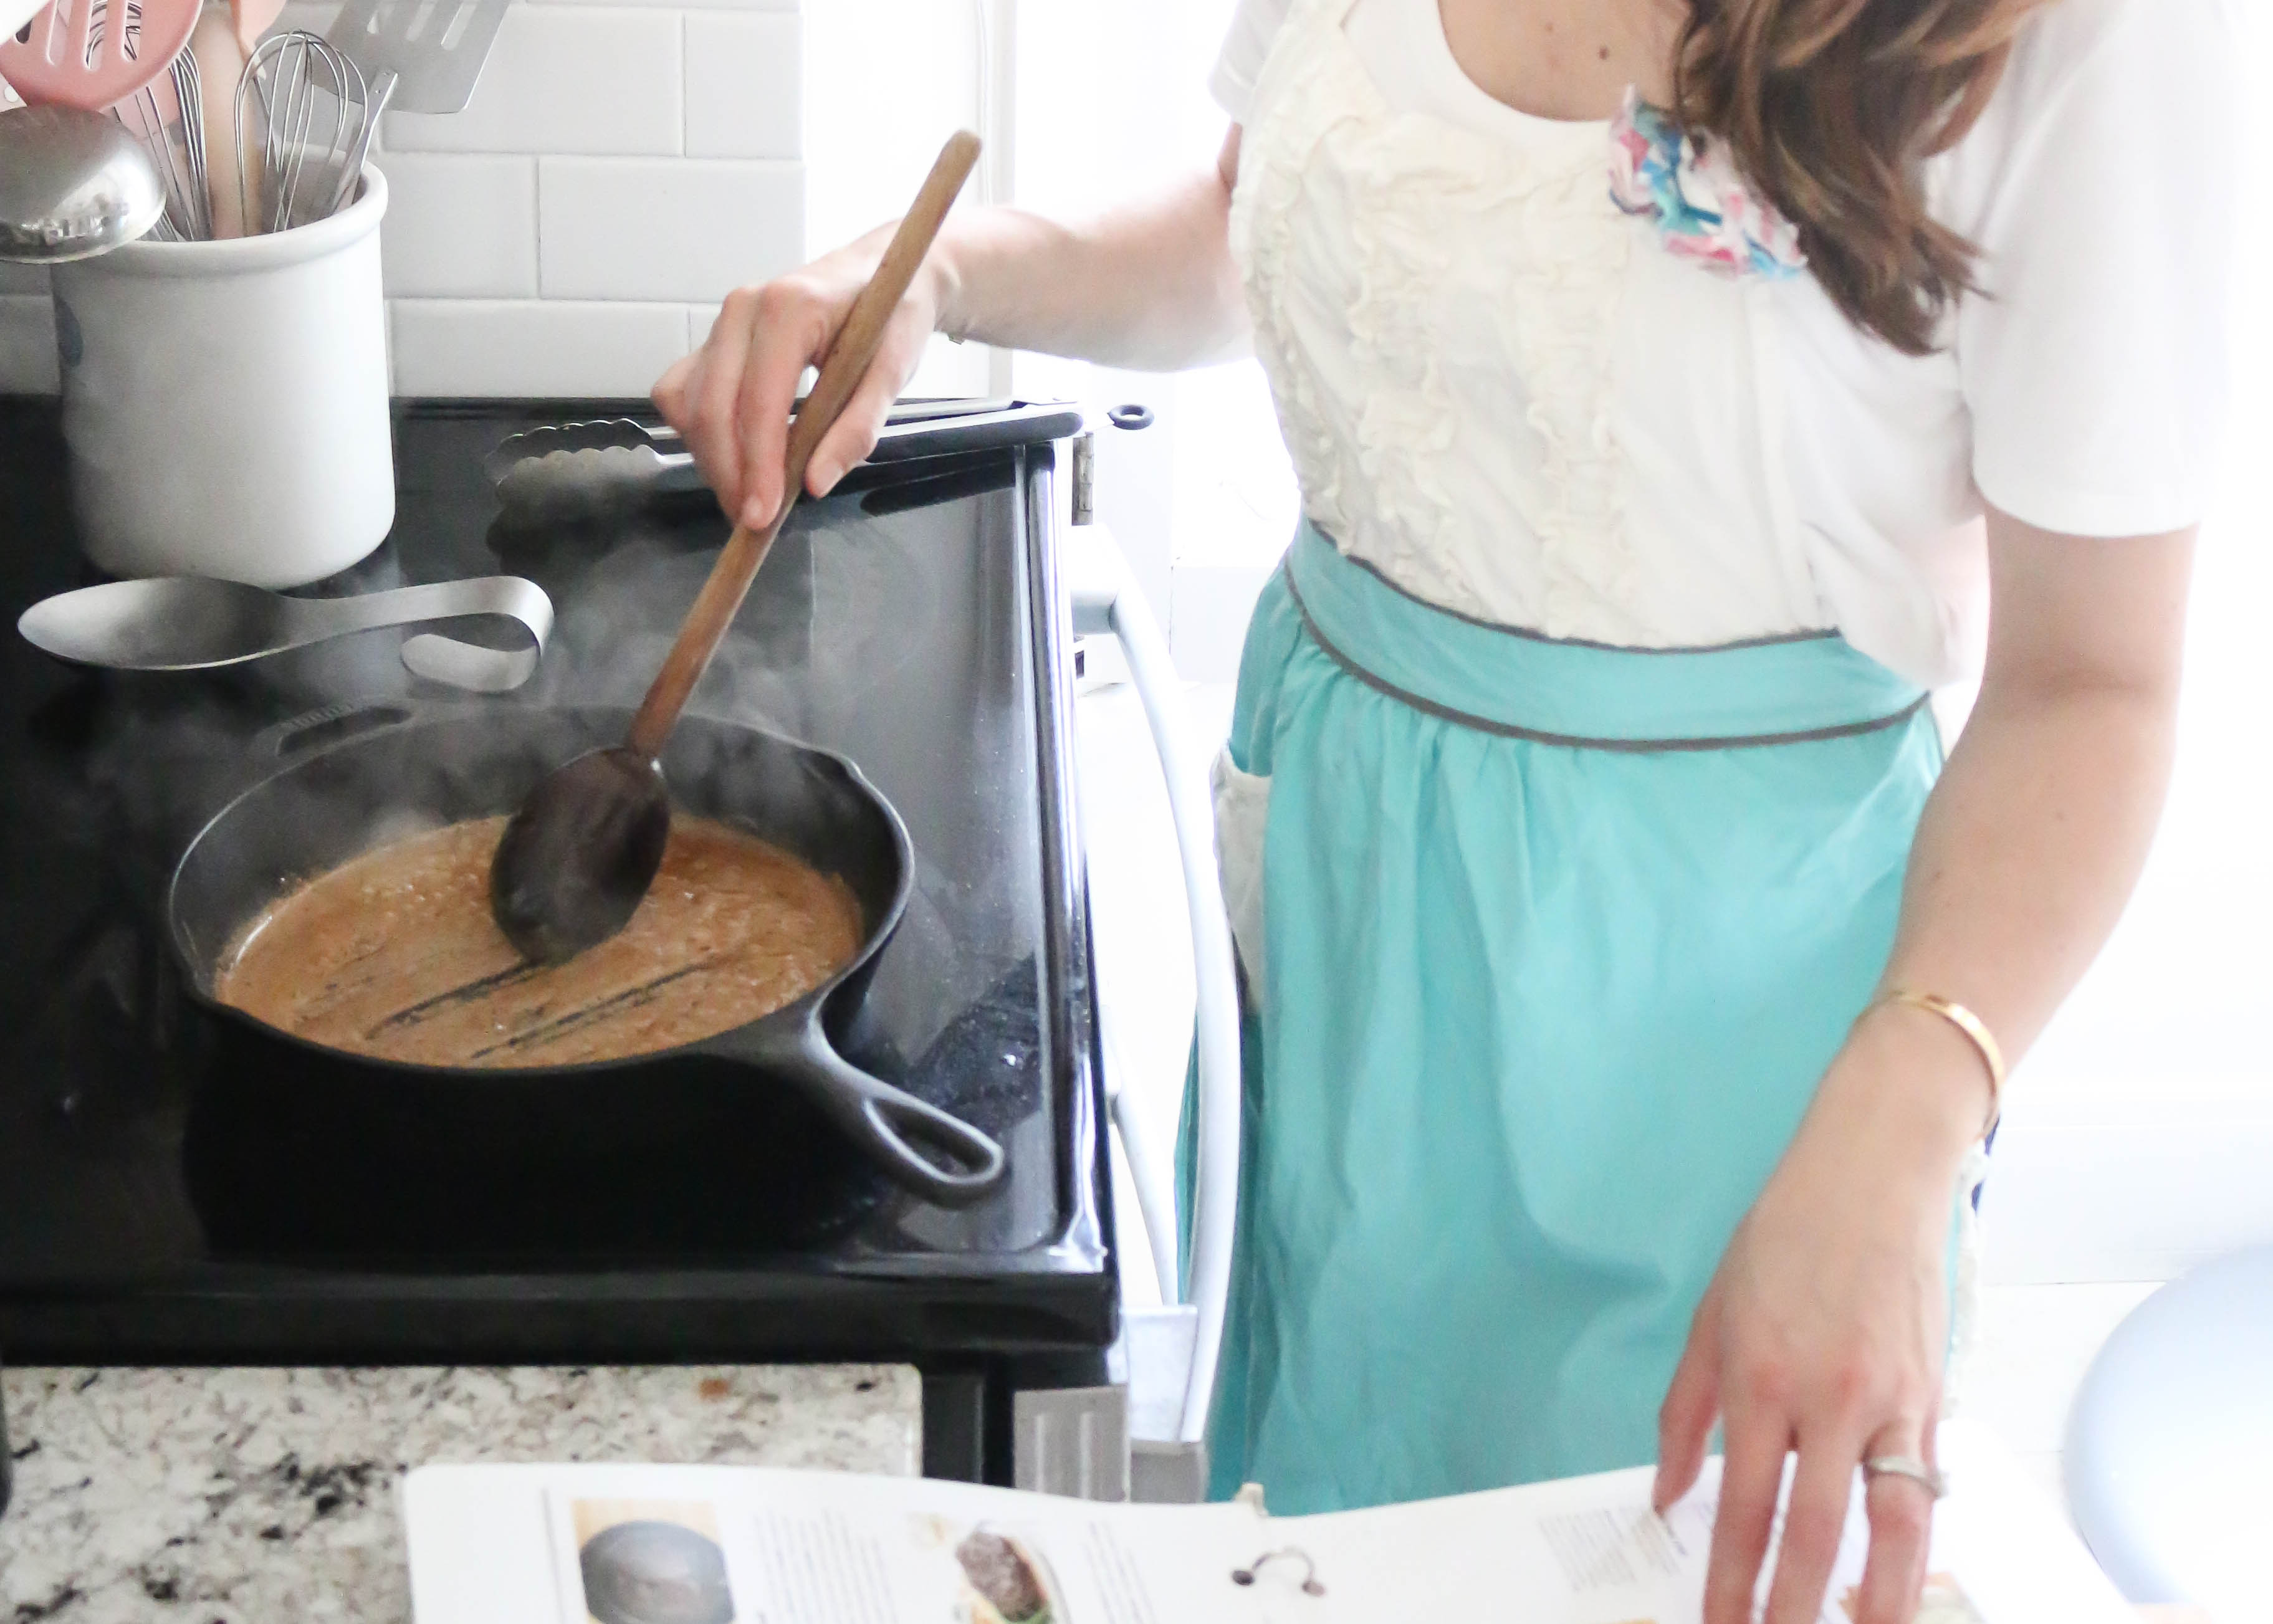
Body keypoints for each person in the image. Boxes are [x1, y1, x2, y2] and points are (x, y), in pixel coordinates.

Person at [651, 0, 2236, 1617]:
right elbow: (1265, 215)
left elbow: (2091, 684)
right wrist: (942, 270)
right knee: (1327, 1541)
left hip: (1727, 1037)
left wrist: (1901, 1130)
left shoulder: (2098, 39)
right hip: (1351, 911)